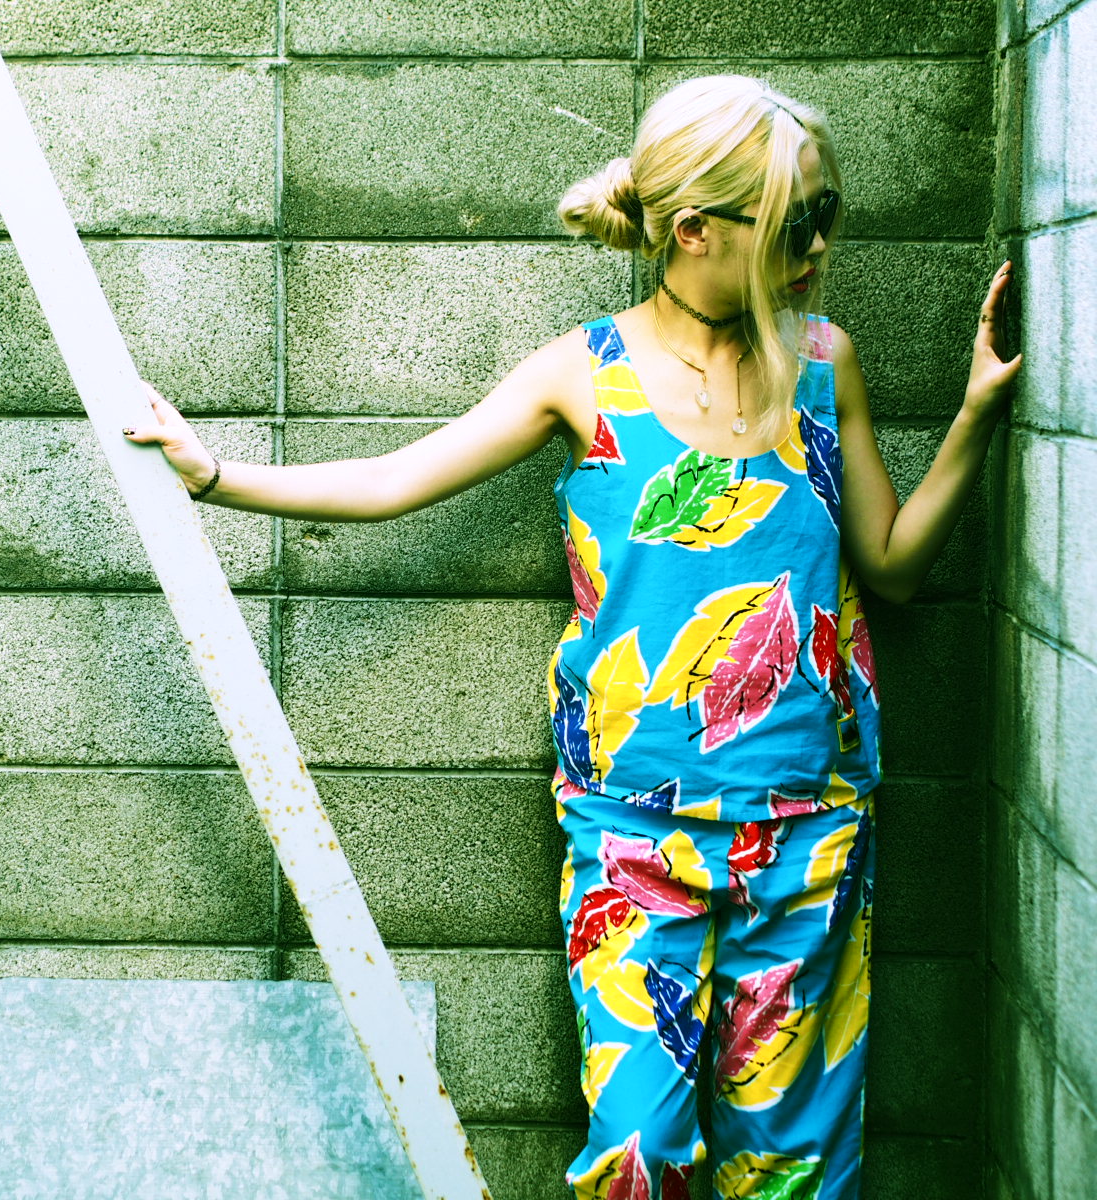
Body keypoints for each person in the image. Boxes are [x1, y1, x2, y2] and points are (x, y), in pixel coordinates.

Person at [121, 74, 1020, 1199]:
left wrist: (978, 413)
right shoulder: (582, 374)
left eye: (827, 213)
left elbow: (890, 565)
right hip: (631, 833)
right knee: (637, 1158)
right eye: (798, 223)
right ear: (694, 231)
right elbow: (398, 480)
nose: (821, 246)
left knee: (791, 1171)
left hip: (809, 825)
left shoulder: (825, 363)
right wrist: (216, 476)